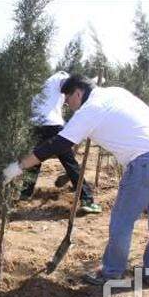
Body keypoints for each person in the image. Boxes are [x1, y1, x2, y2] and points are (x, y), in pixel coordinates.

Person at [3, 75, 149, 285]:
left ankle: (110, 273)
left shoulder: (90, 109)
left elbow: (57, 144)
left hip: (146, 163)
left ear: (78, 93)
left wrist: (19, 166)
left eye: (68, 101)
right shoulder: (116, 92)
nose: (69, 107)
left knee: (122, 221)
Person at [21, 71, 101, 213]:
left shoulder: (44, 86)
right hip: (52, 125)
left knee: (34, 161)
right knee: (70, 164)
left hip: (36, 125)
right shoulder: (60, 77)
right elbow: (71, 86)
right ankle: (87, 199)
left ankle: (25, 194)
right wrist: (92, 83)